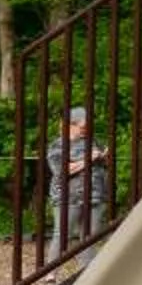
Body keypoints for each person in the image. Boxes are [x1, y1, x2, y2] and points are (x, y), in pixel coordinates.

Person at [41, 105, 110, 271]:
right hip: (68, 197)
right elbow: (62, 170)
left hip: (94, 195)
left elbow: (103, 166)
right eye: (82, 127)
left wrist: (105, 156)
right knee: (62, 234)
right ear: (70, 125)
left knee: (90, 236)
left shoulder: (94, 142)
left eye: (87, 127)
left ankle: (86, 271)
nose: (85, 130)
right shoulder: (57, 145)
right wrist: (89, 159)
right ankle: (51, 272)